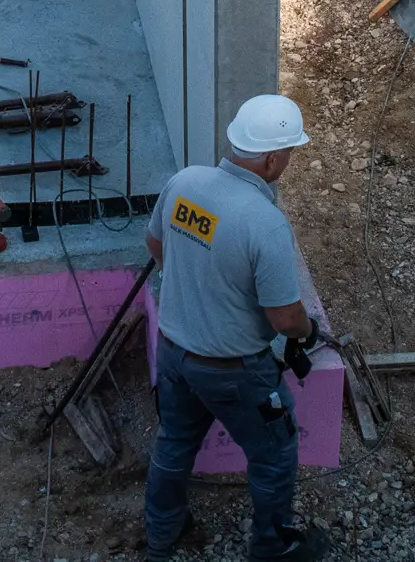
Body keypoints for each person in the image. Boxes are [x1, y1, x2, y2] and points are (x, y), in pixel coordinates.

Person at [142, 95, 330, 562]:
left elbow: (154, 244)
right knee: (274, 456)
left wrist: (195, 291)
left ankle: (162, 535)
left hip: (173, 351)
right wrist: (307, 333)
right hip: (233, 371)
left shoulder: (185, 182)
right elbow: (284, 318)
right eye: (288, 153)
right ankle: (273, 547)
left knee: (174, 443)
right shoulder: (264, 223)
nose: (288, 162)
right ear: (270, 159)